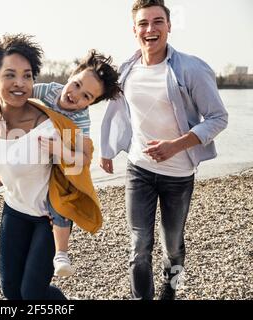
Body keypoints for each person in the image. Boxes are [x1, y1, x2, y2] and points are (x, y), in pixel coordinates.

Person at [0, 50, 121, 278]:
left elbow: (84, 161)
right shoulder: (48, 89)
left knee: (59, 202)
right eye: (77, 85)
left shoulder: (80, 120)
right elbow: (11, 95)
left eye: (87, 96)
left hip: (56, 165)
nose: (76, 95)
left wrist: (59, 150)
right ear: (71, 76)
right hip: (31, 156)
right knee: (2, 169)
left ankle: (62, 253)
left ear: (93, 103)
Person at [100, 0, 228, 300]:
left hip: (179, 174)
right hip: (138, 170)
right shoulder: (125, 70)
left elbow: (218, 118)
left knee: (173, 246)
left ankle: (171, 295)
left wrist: (177, 145)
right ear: (134, 30)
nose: (150, 29)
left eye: (158, 22)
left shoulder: (192, 68)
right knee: (138, 246)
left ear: (169, 26)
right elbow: (115, 112)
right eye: (143, 23)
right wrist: (107, 149)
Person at [0, 34, 102, 300]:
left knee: (32, 294)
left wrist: (62, 156)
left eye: (27, 76)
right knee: (10, 292)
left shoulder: (55, 126)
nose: (20, 83)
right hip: (13, 211)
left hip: (47, 218)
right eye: (10, 75)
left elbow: (80, 166)